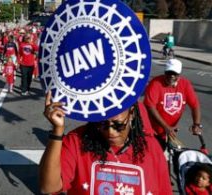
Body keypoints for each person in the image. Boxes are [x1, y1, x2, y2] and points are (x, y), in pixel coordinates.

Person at [39, 92, 173, 194]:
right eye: (102, 124)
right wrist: (57, 131)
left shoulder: (150, 147)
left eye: (118, 125)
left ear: (131, 113)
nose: (110, 132)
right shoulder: (77, 140)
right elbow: (48, 187)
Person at [143, 59, 201, 149]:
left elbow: (195, 105)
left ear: (179, 74)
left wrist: (196, 124)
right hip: (152, 129)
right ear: (165, 72)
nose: (172, 76)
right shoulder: (156, 83)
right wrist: (166, 126)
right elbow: (150, 107)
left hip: (169, 130)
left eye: (175, 74)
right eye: (169, 73)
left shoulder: (185, 84)